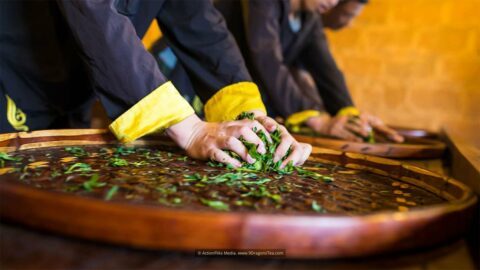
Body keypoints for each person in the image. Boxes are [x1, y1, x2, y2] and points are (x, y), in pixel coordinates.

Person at [0, 0, 311, 167]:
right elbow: (91, 8)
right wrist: (190, 129)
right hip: (11, 78)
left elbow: (202, 28)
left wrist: (252, 119)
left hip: (73, 90)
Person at [214, 0, 404, 143]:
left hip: (250, 102)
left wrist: (349, 115)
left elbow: (327, 69)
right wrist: (316, 120)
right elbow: (266, 58)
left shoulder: (309, 18)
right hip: (215, 93)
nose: (333, 2)